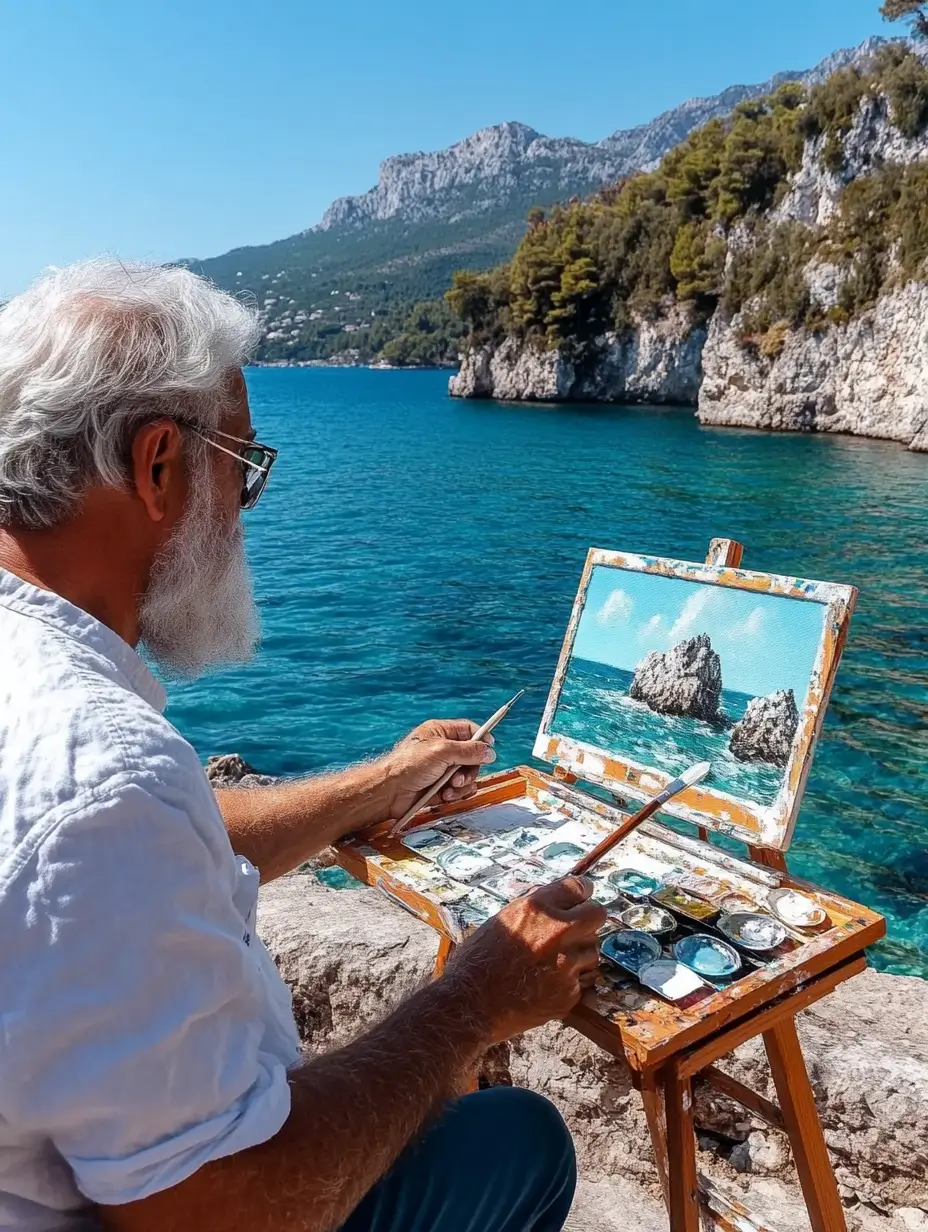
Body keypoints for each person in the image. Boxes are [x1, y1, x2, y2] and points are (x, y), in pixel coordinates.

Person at [0, 260, 607, 1232]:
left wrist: (382, 781)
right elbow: (223, 1209)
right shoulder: (98, 766)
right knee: (518, 1137)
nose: (246, 510)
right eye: (243, 468)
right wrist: (471, 1001)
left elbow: (174, 838)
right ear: (159, 466)